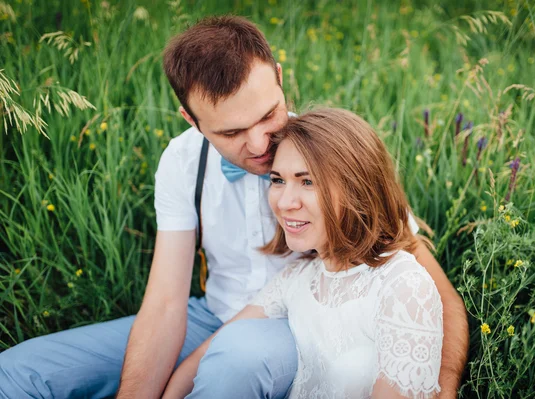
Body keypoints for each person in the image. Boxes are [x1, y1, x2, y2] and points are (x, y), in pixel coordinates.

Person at [0, 16, 467, 399]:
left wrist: (439, 387)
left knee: (236, 358)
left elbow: (427, 287)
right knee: (18, 372)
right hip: (214, 314)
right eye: (231, 133)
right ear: (192, 120)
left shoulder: (331, 152)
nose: (261, 143)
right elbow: (165, 304)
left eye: (268, 114)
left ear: (280, 78)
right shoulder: (182, 161)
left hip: (299, 328)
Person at [163, 108, 444, 399]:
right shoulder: (298, 278)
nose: (285, 202)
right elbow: (209, 351)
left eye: (307, 182)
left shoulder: (403, 285)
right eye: (277, 180)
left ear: (356, 189)